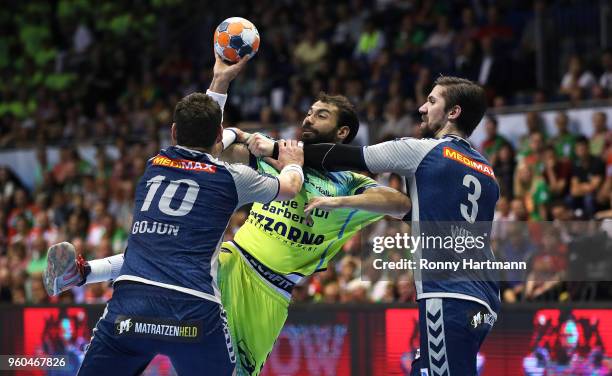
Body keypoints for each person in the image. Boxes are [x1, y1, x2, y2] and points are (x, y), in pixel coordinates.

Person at [44, 61, 410, 375]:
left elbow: (398, 203)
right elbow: (217, 144)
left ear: (342, 132)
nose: (308, 117)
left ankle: (85, 272)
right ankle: (85, 272)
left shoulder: (352, 182)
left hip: (270, 290)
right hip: (229, 262)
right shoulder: (279, 153)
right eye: (310, 111)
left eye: (321, 114)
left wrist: (342, 202)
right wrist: (264, 144)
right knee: (174, 254)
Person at [258, 76, 500, 375]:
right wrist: (342, 202)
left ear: (453, 113)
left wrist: (276, 148)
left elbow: (348, 156)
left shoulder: (426, 151)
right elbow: (417, 213)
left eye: (432, 101)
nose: (423, 108)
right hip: (485, 299)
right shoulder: (487, 171)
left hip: (448, 294)